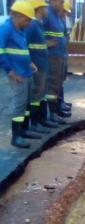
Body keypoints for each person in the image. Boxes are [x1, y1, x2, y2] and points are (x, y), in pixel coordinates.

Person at [0, 1, 38, 148]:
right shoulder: (6, 29)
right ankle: (16, 137)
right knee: (19, 105)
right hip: (17, 73)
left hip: (26, 71)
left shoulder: (20, 30)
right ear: (20, 16)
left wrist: (29, 62)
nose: (29, 23)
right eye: (28, 19)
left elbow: (22, 50)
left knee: (27, 102)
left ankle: (24, 130)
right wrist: (10, 71)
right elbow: (0, 51)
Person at [26, 0, 59, 134]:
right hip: (37, 65)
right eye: (44, 7)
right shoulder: (32, 25)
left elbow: (38, 44)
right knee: (36, 95)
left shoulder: (38, 24)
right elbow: (25, 45)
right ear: (39, 8)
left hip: (42, 64)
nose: (47, 9)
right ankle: (35, 123)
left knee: (42, 94)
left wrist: (47, 44)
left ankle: (41, 120)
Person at [44, 0, 69, 123]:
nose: (62, 4)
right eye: (60, 2)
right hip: (52, 56)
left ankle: (57, 109)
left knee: (58, 84)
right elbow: (35, 33)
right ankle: (52, 114)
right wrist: (46, 43)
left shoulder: (56, 15)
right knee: (53, 85)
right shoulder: (47, 14)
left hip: (60, 55)